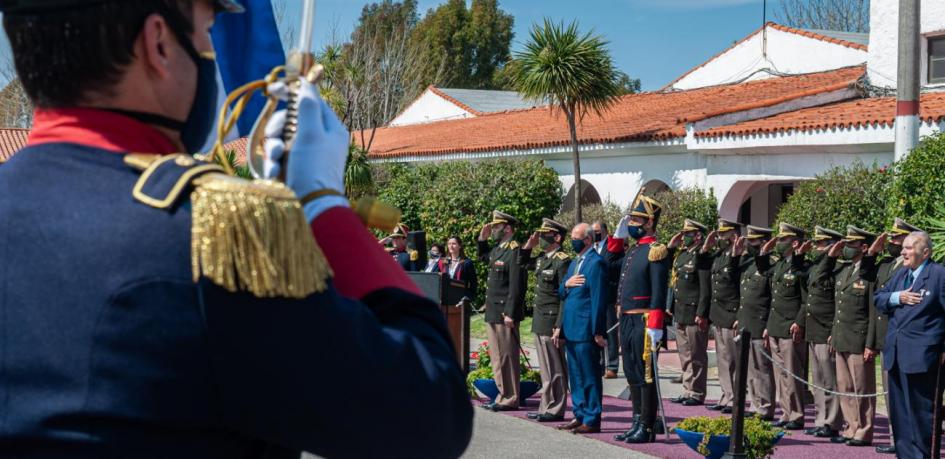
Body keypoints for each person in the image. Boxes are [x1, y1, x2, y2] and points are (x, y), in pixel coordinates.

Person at [0, 1, 473, 457]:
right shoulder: (211, 236)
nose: (210, 50)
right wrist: (324, 207)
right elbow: (429, 414)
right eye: (206, 31)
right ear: (159, 43)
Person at [875, 231, 945, 459]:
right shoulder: (901, 275)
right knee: (901, 419)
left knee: (921, 418)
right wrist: (898, 297)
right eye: (903, 247)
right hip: (896, 355)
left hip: (923, 358)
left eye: (909, 248)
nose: (903, 252)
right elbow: (879, 298)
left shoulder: (939, 274)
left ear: (925, 252)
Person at [609, 192, 670, 444]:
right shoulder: (634, 251)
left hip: (645, 320)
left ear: (649, 223)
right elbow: (610, 262)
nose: (632, 223)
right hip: (626, 319)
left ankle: (646, 425)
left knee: (646, 375)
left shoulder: (657, 251)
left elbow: (659, 291)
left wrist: (656, 323)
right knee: (632, 371)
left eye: (637, 220)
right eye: (631, 219)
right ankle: (636, 420)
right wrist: (617, 236)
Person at [869, 217, 921, 455]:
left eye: (901, 240)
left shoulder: (917, 269)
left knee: (911, 397)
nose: (896, 245)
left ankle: (910, 440)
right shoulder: (890, 266)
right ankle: (896, 436)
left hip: (910, 342)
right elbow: (877, 296)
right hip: (888, 338)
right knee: (894, 395)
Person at [827, 226, 879, 447]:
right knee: (845, 387)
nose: (846, 248)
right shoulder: (845, 270)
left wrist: (870, 344)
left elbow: (872, 311)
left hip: (859, 339)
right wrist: (833, 333)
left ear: (864, 247)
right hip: (842, 336)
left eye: (851, 244)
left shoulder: (870, 273)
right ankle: (851, 426)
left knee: (862, 388)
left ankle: (864, 430)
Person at [557, 223, 610, 434]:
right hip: (571, 327)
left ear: (588, 240)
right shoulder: (574, 263)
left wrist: (598, 330)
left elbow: (598, 299)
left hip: (586, 329)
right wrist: (566, 284)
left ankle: (592, 417)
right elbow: (561, 291)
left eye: (576, 237)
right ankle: (579, 414)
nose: (573, 241)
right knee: (576, 376)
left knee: (589, 376)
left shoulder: (596, 263)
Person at [521, 219, 572, 423]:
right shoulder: (543, 258)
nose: (541, 237)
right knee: (545, 367)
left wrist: (560, 325)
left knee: (555, 367)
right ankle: (546, 405)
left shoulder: (563, 261)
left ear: (557, 237)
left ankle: (556, 408)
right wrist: (528, 246)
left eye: (545, 234)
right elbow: (522, 263)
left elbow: (564, 296)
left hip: (552, 321)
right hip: (540, 319)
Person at [760, 222, 809, 430]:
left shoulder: (802, 267)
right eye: (778, 239)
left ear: (795, 242)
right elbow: (763, 269)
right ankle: (786, 412)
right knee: (780, 373)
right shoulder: (779, 265)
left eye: (782, 239)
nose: (778, 243)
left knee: (792, 373)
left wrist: (799, 321)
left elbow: (806, 300)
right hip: (775, 325)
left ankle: (796, 415)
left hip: (790, 327)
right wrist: (764, 250)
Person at [477, 210, 526, 411]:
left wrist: (510, 313)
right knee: (497, 357)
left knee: (508, 356)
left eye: (497, 227)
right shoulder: (498, 249)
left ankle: (511, 397)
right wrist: (482, 239)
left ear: (507, 228)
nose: (494, 230)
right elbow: (483, 257)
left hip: (505, 313)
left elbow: (516, 285)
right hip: (493, 311)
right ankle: (502, 394)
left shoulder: (515, 250)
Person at [801, 226, 844, 439]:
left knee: (830, 381)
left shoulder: (838, 269)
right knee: (817, 381)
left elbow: (839, 305)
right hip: (814, 329)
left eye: (821, 243)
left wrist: (834, 330)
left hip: (827, 330)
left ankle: (833, 421)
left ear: (833, 246)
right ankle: (821, 419)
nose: (816, 246)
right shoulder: (817, 267)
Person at [732, 225, 776, 421]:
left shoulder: (770, 265)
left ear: (764, 242)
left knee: (762, 369)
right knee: (749, 369)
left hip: (760, 324)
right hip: (745, 323)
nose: (749, 243)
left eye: (754, 240)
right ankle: (755, 403)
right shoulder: (748, 263)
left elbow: (773, 299)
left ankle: (765, 407)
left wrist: (768, 325)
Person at [667, 219, 712, 406]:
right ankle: (687, 390)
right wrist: (670, 247)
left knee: (697, 355)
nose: (684, 237)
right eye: (684, 233)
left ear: (698, 236)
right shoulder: (682, 255)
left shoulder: (701, 256)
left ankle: (697, 392)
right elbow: (670, 274)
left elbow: (705, 288)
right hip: (680, 311)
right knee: (685, 355)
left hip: (694, 312)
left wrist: (702, 313)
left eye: (688, 234)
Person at [702, 218, 743, 414]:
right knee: (722, 359)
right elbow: (701, 267)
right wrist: (705, 247)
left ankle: (734, 397)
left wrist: (738, 315)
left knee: (732, 360)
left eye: (723, 233)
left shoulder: (739, 256)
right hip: (718, 314)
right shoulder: (718, 255)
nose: (719, 236)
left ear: (734, 235)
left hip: (731, 313)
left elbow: (739, 285)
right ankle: (726, 395)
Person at [593, 220, 621, 379]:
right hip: (595, 296)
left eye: (596, 230)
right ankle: (600, 364)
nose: (594, 233)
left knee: (610, 331)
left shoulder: (612, 247)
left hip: (609, 295)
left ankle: (612, 365)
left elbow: (617, 270)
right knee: (598, 330)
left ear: (604, 231)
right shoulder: (592, 247)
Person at [442, 236, 478, 301]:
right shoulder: (444, 262)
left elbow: (474, 283)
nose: (451, 246)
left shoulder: (467, 263)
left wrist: (469, 296)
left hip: (461, 299)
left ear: (460, 246)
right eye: (449, 244)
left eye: (454, 244)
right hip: (446, 299)